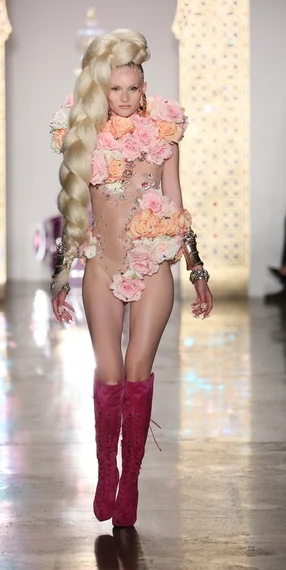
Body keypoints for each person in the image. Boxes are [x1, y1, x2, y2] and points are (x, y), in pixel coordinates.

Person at [49, 30, 213, 527]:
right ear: (102, 90)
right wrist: (60, 278)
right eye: (115, 89)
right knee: (110, 371)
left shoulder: (163, 138)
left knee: (138, 370)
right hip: (102, 265)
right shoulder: (83, 135)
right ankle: (105, 471)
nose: (124, 97)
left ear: (145, 88)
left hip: (155, 265)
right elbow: (75, 212)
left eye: (133, 88)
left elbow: (176, 204)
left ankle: (131, 481)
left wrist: (196, 267)